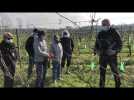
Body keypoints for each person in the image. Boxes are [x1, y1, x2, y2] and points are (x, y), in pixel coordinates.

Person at [94, 19, 122, 88]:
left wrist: (114, 51)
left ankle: (118, 85)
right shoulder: (100, 33)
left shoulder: (114, 32)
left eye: (105, 24)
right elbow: (96, 45)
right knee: (102, 73)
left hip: (112, 56)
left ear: (109, 24)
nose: (103, 26)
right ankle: (102, 86)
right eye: (102, 25)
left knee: (115, 72)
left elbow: (120, 44)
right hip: (102, 56)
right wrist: (96, 51)